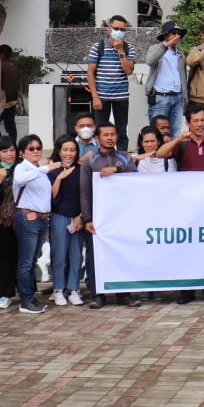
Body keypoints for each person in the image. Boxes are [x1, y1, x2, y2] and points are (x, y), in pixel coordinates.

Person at [155, 108, 204, 303]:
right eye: (195, 121)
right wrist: (178, 139)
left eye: (203, 120)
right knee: (187, 247)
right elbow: (159, 154)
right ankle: (186, 290)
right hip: (187, 205)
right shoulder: (183, 144)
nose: (199, 124)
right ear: (189, 122)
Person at [80, 123, 141, 309]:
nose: (109, 138)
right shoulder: (90, 162)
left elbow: (137, 179)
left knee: (122, 254)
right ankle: (99, 295)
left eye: (112, 134)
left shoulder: (125, 158)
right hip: (99, 219)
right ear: (97, 138)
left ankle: (125, 294)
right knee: (96, 256)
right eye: (105, 135)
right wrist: (87, 218)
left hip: (122, 217)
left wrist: (117, 170)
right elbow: (84, 191)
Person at [10, 134, 56, 315]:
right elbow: (20, 180)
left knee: (32, 259)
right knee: (26, 261)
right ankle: (25, 299)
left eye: (38, 148)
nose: (36, 151)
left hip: (41, 219)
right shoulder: (22, 168)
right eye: (31, 149)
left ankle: (30, 297)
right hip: (27, 218)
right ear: (22, 153)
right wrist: (45, 169)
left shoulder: (38, 170)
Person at [85, 15, 138, 149]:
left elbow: (128, 70)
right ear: (109, 28)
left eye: (122, 29)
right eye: (116, 28)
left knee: (121, 131)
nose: (119, 31)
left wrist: (120, 50)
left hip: (121, 97)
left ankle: (122, 160)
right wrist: (95, 97)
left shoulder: (128, 48)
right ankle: (101, 159)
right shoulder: (98, 47)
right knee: (101, 131)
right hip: (102, 97)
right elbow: (90, 73)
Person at [48, 136, 84, 307]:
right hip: (59, 216)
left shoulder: (82, 170)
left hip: (78, 218)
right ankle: (58, 289)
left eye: (72, 150)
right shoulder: (52, 170)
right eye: (65, 150)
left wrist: (82, 215)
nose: (69, 153)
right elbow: (50, 198)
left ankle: (74, 289)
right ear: (59, 150)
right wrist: (60, 178)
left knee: (76, 255)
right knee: (60, 255)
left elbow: (87, 195)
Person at [0, 137, 21, 310]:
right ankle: (5, 294)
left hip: (21, 218)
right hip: (0, 220)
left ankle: (24, 290)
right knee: (4, 258)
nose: (9, 154)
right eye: (4, 151)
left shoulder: (22, 167)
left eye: (12, 150)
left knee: (22, 255)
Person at [144, 20, 187, 137]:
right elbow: (150, 61)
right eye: (173, 33)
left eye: (178, 33)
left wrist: (185, 98)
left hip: (178, 98)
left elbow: (183, 75)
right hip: (160, 97)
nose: (176, 36)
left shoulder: (180, 53)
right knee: (156, 133)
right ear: (165, 34)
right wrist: (165, 45)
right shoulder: (155, 48)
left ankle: (172, 155)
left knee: (176, 132)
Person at [0, 44, 20, 141]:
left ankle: (0, 144)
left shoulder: (0, 67)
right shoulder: (13, 67)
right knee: (10, 125)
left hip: (3, 101)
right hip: (12, 101)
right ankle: (13, 146)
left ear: (2, 55)